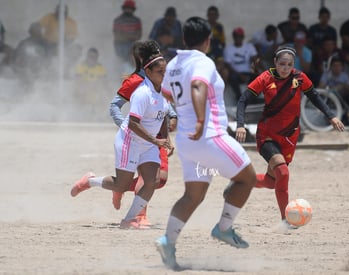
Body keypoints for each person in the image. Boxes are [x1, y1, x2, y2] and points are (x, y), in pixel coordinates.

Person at [155, 17, 256, 270]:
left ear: (184, 39)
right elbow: (198, 85)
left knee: (193, 195)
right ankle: (223, 228)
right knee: (248, 178)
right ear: (208, 40)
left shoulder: (175, 63)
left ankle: (168, 241)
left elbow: (166, 92)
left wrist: (183, 113)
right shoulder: (203, 61)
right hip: (208, 136)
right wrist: (200, 119)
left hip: (188, 143)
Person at [235, 46, 344, 230]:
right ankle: (286, 220)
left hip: (290, 136)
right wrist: (240, 124)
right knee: (283, 172)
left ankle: (242, 181)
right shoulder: (265, 78)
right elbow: (242, 100)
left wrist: (331, 116)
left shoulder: (299, 78)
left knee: (272, 181)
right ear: (275, 63)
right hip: (267, 135)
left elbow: (315, 96)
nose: (285, 68)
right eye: (282, 64)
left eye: (289, 65)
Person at [70, 41, 172, 230]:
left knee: (155, 180)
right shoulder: (139, 89)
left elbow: (164, 114)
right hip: (132, 139)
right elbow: (123, 113)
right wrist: (125, 127)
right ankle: (91, 181)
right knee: (122, 184)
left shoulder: (163, 89)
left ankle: (131, 218)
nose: (165, 75)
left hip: (150, 141)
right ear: (148, 69)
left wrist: (166, 139)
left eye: (166, 71)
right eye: (161, 71)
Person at [109, 40, 177, 228]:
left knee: (159, 180)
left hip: (156, 135)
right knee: (148, 178)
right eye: (156, 53)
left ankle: (120, 187)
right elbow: (115, 106)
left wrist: (172, 117)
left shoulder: (161, 78)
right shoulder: (136, 82)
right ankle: (138, 215)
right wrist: (125, 125)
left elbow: (166, 106)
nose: (160, 57)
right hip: (138, 135)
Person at [223, 27, 258, 101]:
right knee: (232, 78)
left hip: (248, 72)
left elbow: (255, 59)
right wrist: (240, 75)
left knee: (259, 78)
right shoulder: (228, 48)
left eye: (240, 36)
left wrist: (257, 69)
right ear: (233, 37)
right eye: (236, 36)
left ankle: (253, 99)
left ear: (243, 37)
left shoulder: (249, 46)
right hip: (235, 73)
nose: (238, 38)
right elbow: (228, 66)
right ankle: (239, 98)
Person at [112, 0, 142, 65]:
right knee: (120, 63)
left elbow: (139, 35)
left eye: (130, 8)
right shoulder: (118, 20)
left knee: (132, 63)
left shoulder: (137, 20)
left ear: (133, 9)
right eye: (127, 8)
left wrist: (125, 36)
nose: (128, 10)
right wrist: (131, 37)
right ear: (124, 8)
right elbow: (117, 36)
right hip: (120, 46)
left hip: (132, 46)